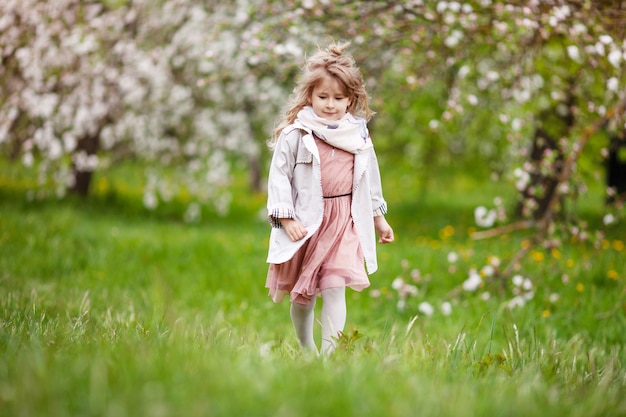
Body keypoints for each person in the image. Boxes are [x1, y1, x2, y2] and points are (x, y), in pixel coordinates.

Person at [265, 41, 394, 355]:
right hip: (308, 221)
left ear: (351, 99)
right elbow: (279, 176)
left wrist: (379, 218)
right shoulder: (296, 134)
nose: (330, 104)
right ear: (309, 95)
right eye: (323, 97)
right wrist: (286, 218)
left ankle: (329, 357)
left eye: (339, 98)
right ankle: (306, 347)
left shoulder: (358, 134)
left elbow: (369, 179)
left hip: (344, 220)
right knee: (303, 296)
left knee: (335, 287)